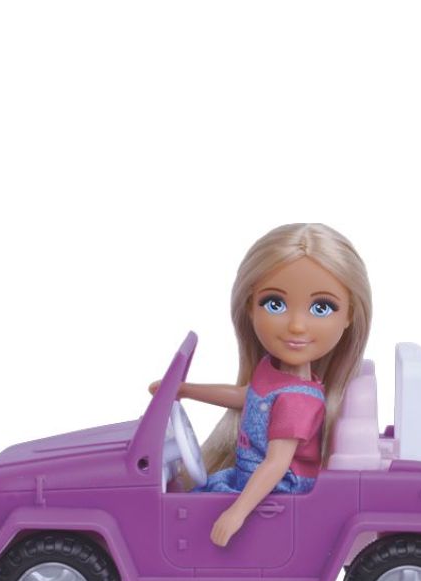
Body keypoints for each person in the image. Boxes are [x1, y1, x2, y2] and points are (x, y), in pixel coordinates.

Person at [151, 224, 371, 547]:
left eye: (321, 308)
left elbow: (277, 463)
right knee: (200, 488)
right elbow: (247, 397)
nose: (297, 325)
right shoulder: (273, 372)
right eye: (274, 304)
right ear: (250, 305)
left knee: (197, 505)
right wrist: (187, 390)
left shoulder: (298, 401)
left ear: (349, 315)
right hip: (250, 476)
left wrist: (236, 513)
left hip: (277, 489)